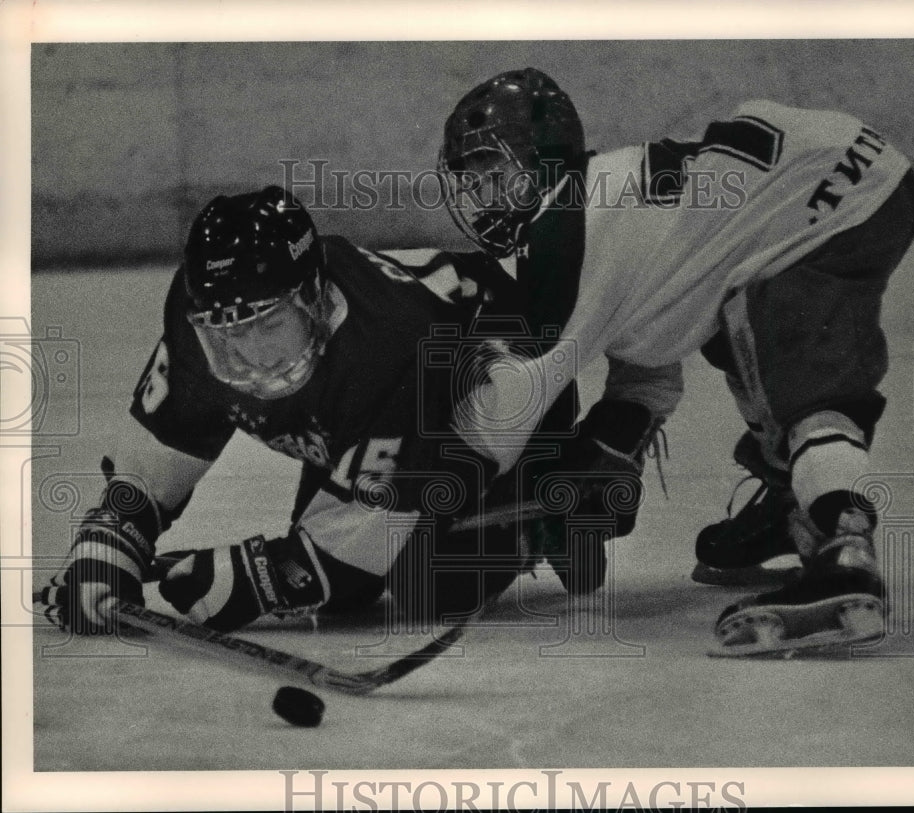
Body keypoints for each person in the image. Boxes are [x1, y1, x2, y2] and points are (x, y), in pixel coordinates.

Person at [436, 68, 914, 656]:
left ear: (545, 158)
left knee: (799, 379)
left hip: (840, 196)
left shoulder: (564, 235)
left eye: (497, 171)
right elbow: (650, 348)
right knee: (736, 326)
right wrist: (609, 444)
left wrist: (435, 494)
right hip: (836, 169)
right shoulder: (601, 204)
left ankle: (843, 546)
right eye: (475, 178)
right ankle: (796, 496)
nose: (484, 193)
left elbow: (516, 402)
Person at [41, 185, 601, 637]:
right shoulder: (195, 320)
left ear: (315, 297)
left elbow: (338, 556)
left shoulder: (389, 343)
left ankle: (554, 501)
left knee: (429, 584)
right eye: (229, 333)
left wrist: (252, 579)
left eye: (268, 324)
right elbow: (152, 471)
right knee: (348, 598)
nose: (252, 357)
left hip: (494, 378)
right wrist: (110, 542)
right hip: (378, 407)